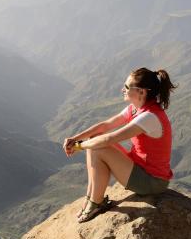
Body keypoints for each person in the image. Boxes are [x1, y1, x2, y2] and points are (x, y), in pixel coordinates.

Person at [63, 67, 177, 223]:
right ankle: (91, 199)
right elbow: (105, 126)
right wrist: (74, 139)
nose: (122, 89)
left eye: (127, 87)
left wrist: (79, 146)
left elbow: (110, 139)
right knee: (95, 139)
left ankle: (96, 202)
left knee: (98, 146)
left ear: (142, 92)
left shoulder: (148, 117)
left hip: (152, 181)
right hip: (140, 168)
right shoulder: (135, 109)